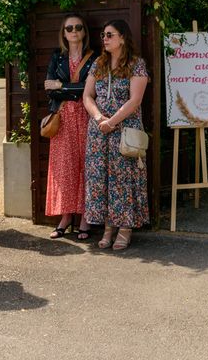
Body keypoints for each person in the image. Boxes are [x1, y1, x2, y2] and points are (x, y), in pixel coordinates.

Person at [83, 20, 148, 251]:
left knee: (123, 179)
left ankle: (125, 228)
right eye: (103, 35)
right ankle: (108, 226)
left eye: (110, 34)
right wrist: (100, 118)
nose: (105, 38)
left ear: (122, 38)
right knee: (102, 179)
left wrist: (112, 121)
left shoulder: (135, 64)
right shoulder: (98, 64)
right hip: (99, 131)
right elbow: (87, 96)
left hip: (124, 129)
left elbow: (135, 100)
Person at [44, 14, 98, 240]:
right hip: (63, 118)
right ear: (63, 33)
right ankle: (65, 217)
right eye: (69, 28)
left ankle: (85, 217)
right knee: (64, 169)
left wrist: (63, 86)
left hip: (86, 116)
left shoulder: (95, 57)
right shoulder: (56, 57)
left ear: (84, 31)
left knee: (86, 166)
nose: (74, 31)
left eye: (78, 27)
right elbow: (49, 88)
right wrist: (72, 88)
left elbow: (91, 89)